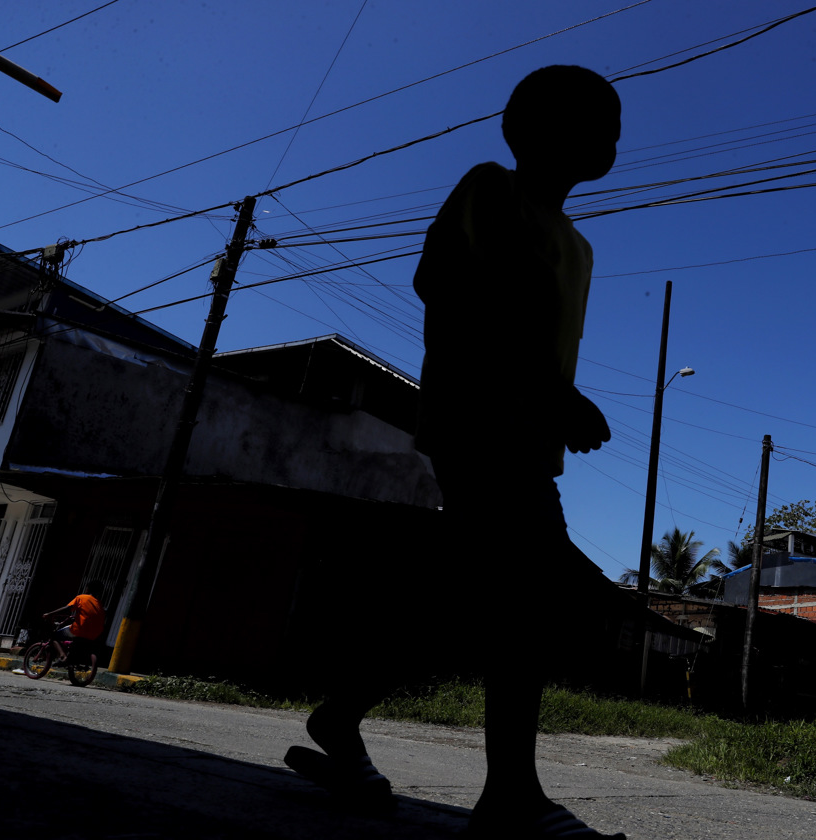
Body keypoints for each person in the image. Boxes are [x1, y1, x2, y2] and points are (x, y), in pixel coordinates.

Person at [285, 65, 625, 840]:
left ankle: (341, 718)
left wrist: (554, 404)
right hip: (476, 424)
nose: (604, 135)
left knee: (461, 598)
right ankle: (510, 795)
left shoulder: (578, 247)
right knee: (529, 593)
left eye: (610, 124)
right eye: (581, 118)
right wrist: (550, 393)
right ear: (521, 128)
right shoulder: (489, 190)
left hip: (528, 442)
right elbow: (445, 284)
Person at [42, 581, 106, 662]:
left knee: (53, 636)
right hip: (95, 634)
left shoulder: (81, 598)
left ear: (88, 589)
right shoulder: (99, 604)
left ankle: (62, 656)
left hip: (79, 630)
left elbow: (67, 608)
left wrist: (49, 614)